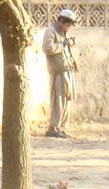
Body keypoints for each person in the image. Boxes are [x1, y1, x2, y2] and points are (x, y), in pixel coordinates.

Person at [42, 8, 78, 139]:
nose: (68, 28)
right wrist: (63, 45)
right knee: (59, 99)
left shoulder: (63, 32)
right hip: (58, 71)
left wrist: (70, 43)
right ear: (61, 21)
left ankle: (62, 127)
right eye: (67, 24)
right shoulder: (51, 31)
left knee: (67, 99)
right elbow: (47, 48)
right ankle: (53, 127)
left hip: (67, 69)